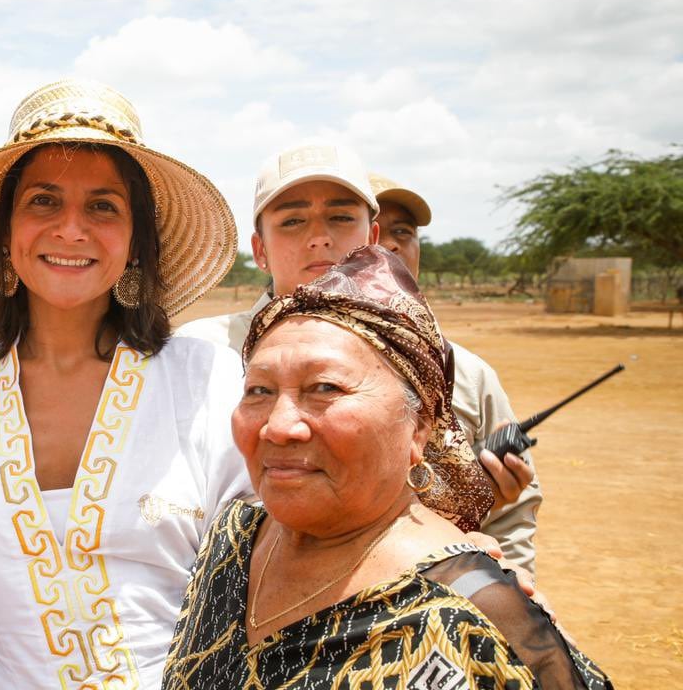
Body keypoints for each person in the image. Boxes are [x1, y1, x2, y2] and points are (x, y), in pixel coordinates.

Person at [0, 79, 249, 688]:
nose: (71, 229)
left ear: (136, 242)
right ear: (5, 233)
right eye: (43, 200)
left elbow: (257, 574)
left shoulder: (205, 376)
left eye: (103, 206)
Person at [163, 245, 612, 689]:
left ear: (419, 427)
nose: (278, 427)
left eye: (325, 387)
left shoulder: (470, 616)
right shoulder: (232, 537)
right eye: (259, 390)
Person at [176, 142, 540, 569]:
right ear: (259, 250)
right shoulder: (198, 356)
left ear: (373, 239)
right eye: (292, 221)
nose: (319, 238)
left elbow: (512, 525)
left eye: (341, 218)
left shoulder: (460, 373)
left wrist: (492, 567)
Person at [371, 172, 543, 570]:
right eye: (373, 228)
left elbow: (513, 519)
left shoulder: (469, 373)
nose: (391, 244)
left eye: (404, 231)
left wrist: (514, 589)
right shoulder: (259, 359)